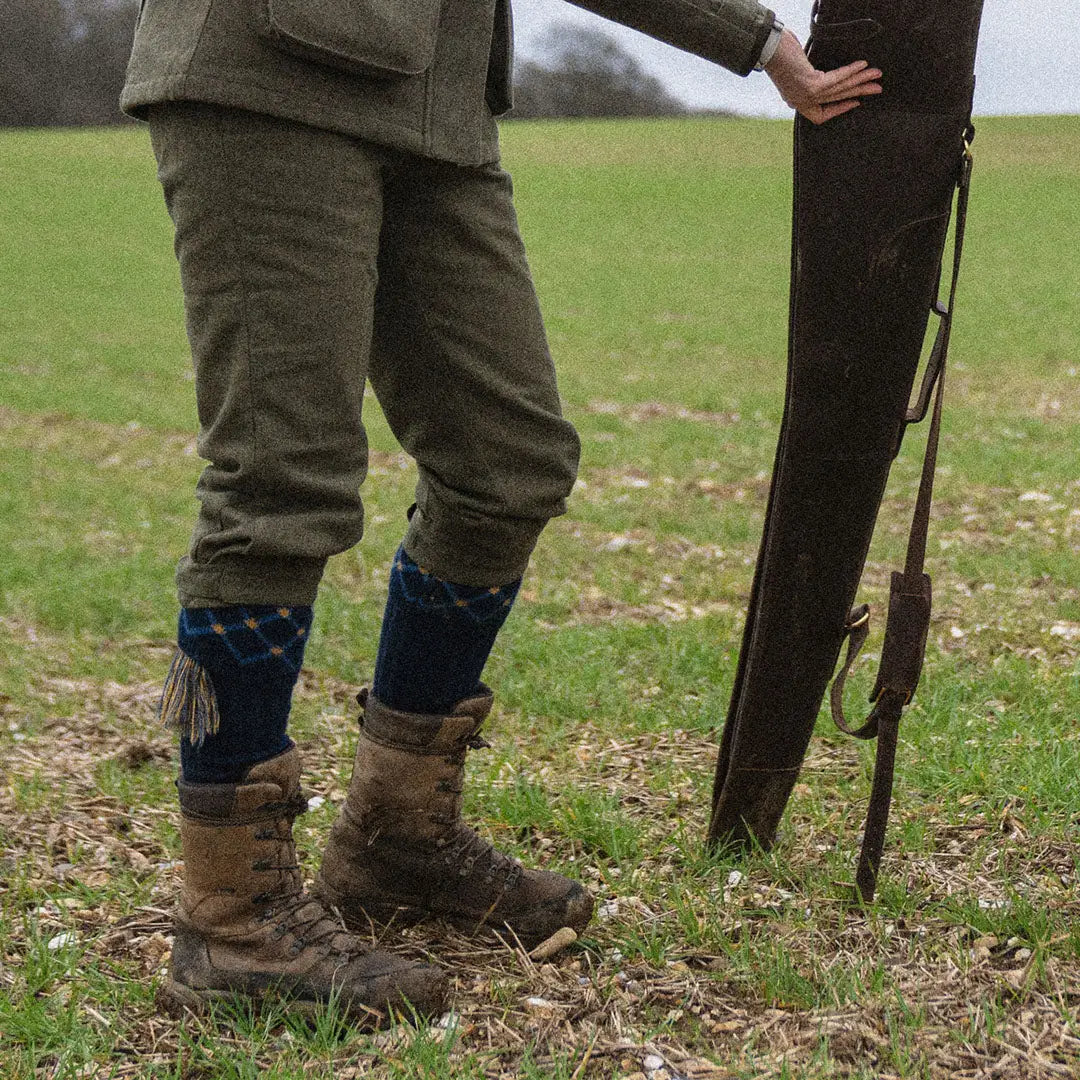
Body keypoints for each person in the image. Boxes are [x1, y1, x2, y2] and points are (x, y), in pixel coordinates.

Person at [121, 0, 881, 1023]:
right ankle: (229, 919)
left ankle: (393, 840)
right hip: (269, 77)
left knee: (507, 466)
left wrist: (754, 42)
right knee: (280, 488)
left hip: (436, 108)